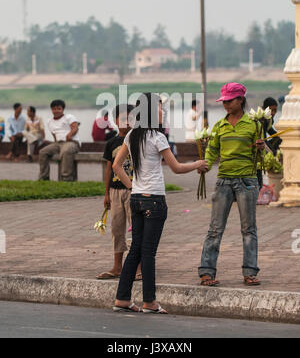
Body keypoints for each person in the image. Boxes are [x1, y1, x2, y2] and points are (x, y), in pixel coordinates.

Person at [112, 93, 208, 314]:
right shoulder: (158, 137)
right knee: (148, 253)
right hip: (154, 200)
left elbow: (117, 166)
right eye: (159, 108)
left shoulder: (131, 136)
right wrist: (198, 164)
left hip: (136, 199)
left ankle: (122, 298)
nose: (162, 112)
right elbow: (176, 168)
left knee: (135, 250)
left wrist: (132, 187)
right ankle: (149, 301)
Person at [198, 82, 265, 287]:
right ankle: (207, 271)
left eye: (229, 101)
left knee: (248, 229)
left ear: (240, 100)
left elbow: (261, 156)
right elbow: (211, 152)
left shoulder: (254, 125)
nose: (226, 104)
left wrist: (261, 148)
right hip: (224, 180)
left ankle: (250, 272)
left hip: (247, 181)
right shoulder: (219, 126)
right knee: (215, 229)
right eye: (224, 101)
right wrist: (204, 165)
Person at [97, 104, 142, 281]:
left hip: (133, 190)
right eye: (122, 119)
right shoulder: (112, 143)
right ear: (115, 121)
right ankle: (117, 267)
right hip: (115, 192)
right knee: (117, 229)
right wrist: (106, 193)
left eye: (130, 119)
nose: (126, 122)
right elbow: (109, 169)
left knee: (137, 229)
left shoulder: (137, 140)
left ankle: (139, 267)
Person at [39, 100, 80, 181]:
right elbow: (54, 135)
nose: (56, 111)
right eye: (54, 109)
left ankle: (66, 178)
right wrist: (55, 145)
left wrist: (69, 135)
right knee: (43, 152)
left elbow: (75, 128)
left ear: (63, 109)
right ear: (51, 110)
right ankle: (44, 177)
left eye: (59, 108)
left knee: (65, 151)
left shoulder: (69, 117)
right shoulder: (50, 121)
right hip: (58, 143)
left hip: (71, 142)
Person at [257, 97, 282, 188]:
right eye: (272, 110)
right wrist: (272, 153)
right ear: (265, 109)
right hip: (258, 145)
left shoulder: (269, 118)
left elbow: (271, 132)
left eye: (275, 110)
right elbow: (263, 139)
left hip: (264, 142)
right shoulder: (262, 119)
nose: (273, 113)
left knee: (280, 139)